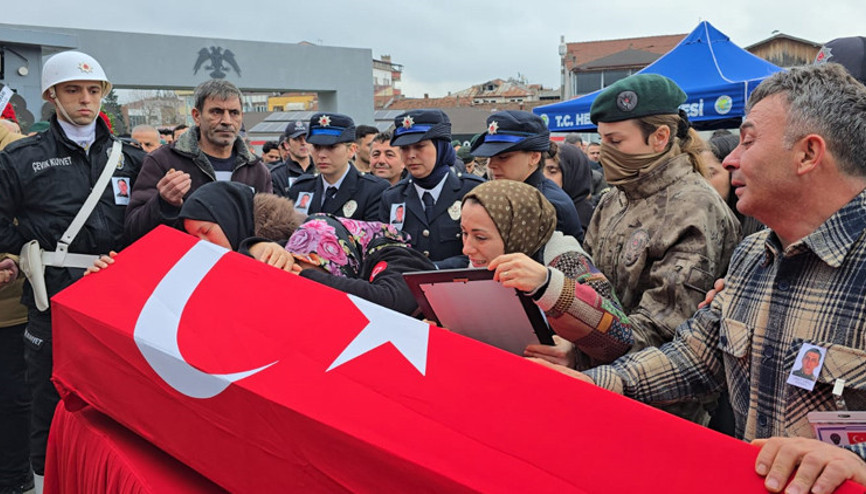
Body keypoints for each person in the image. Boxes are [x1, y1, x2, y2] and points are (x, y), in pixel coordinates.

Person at [533, 63, 866, 494]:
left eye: (749, 141)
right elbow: (694, 356)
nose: (729, 159)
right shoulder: (755, 255)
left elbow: (658, 329)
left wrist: (859, 462)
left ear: (808, 154)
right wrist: (590, 383)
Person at [0, 50, 146, 481]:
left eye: (94, 90)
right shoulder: (21, 157)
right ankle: (49, 481)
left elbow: (146, 224)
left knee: (118, 405)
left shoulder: (131, 157)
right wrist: (29, 252)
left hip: (119, 301)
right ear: (51, 95)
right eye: (73, 90)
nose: (86, 99)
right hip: (54, 302)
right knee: (49, 403)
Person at [580, 73, 740, 424]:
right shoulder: (613, 200)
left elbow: (666, 330)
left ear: (660, 138)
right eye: (602, 140)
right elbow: (590, 282)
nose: (604, 152)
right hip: (600, 389)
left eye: (615, 140)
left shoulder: (696, 209)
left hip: (665, 410)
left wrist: (579, 350)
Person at [460, 180, 632, 367]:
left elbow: (619, 337)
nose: (466, 249)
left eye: (480, 237)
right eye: (464, 233)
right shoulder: (481, 264)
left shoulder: (567, 262)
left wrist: (548, 285)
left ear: (517, 231)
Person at [124, 79, 272, 242]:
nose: (227, 121)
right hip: (182, 257)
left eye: (234, 113)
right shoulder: (162, 161)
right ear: (196, 116)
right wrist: (163, 204)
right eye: (216, 112)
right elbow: (133, 229)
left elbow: (269, 232)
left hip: (238, 259)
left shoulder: (257, 170)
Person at [378, 110, 483, 267]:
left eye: (419, 146)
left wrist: (434, 269)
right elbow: (385, 252)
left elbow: (482, 252)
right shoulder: (392, 197)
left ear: (441, 147)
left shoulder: (473, 191)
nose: (411, 155)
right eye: (405, 148)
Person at [284, 214, 435, 316]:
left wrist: (307, 278)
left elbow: (393, 300)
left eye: (321, 274)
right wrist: (269, 248)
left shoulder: (396, 255)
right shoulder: (353, 256)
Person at [470, 110, 584, 241]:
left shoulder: (547, 206)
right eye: (489, 157)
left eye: (503, 157)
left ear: (534, 157)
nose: (491, 165)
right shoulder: (509, 194)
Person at [0, 105, 33, 494]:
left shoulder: (19, 152)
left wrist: (12, 260)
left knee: (11, 395)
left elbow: (34, 224)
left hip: (9, 307)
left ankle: (13, 474)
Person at [288, 113, 388, 221]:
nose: (322, 155)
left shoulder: (373, 190)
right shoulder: (301, 188)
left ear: (351, 150)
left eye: (331, 147)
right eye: (317, 147)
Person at [702, 133, 765, 238]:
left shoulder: (766, 234)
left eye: (709, 173)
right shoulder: (703, 223)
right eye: (698, 174)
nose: (701, 181)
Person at [542, 141, 595, 228]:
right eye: (540, 171)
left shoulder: (586, 221)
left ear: (573, 174)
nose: (544, 177)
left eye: (552, 171)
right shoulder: (545, 208)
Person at [270, 120, 314, 197]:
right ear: (286, 145)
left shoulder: (322, 170)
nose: (303, 143)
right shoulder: (276, 175)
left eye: (306, 138)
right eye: (297, 139)